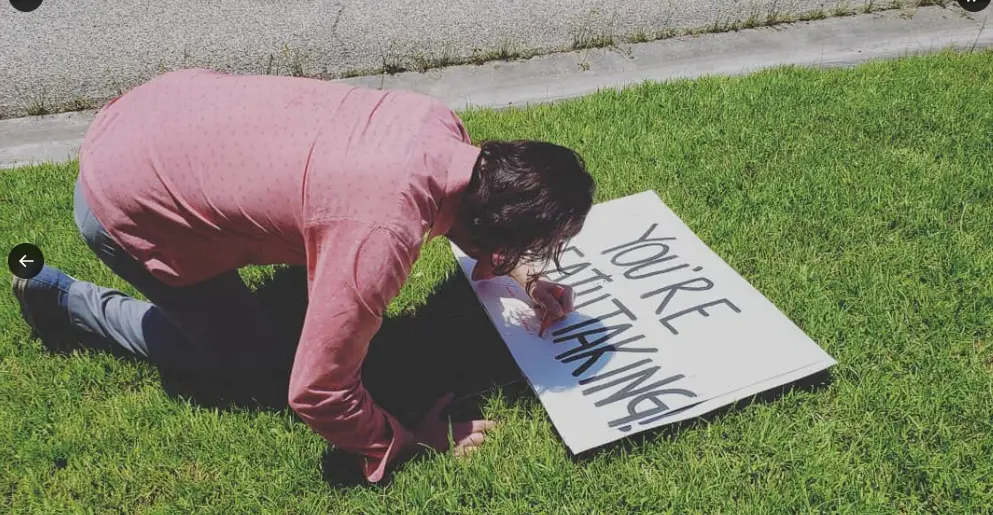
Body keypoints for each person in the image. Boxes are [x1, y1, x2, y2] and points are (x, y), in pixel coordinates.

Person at [11, 68, 596, 483]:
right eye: (526, 247)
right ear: (494, 232)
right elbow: (315, 392)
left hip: (154, 112)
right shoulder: (380, 236)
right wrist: (404, 438)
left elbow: (459, 214)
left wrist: (519, 269)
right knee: (247, 364)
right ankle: (62, 299)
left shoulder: (438, 126)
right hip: (127, 198)